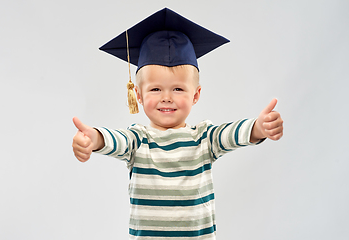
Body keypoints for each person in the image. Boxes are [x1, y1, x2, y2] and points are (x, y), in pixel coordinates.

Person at [72, 8, 283, 240]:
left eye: (178, 89)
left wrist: (258, 128)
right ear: (138, 96)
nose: (167, 97)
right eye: (155, 89)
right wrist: (94, 138)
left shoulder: (205, 138)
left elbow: (231, 134)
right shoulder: (138, 140)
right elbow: (116, 141)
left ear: (196, 95)